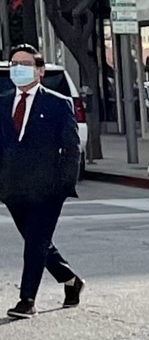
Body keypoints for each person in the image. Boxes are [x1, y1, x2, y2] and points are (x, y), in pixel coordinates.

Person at [1, 43, 82, 320]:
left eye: (25, 65)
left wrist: (64, 184)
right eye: (14, 64)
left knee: (35, 241)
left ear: (40, 71)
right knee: (38, 241)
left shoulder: (58, 104)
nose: (18, 70)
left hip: (47, 188)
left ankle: (27, 299)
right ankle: (70, 279)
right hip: (13, 186)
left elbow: (72, 148)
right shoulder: (2, 102)